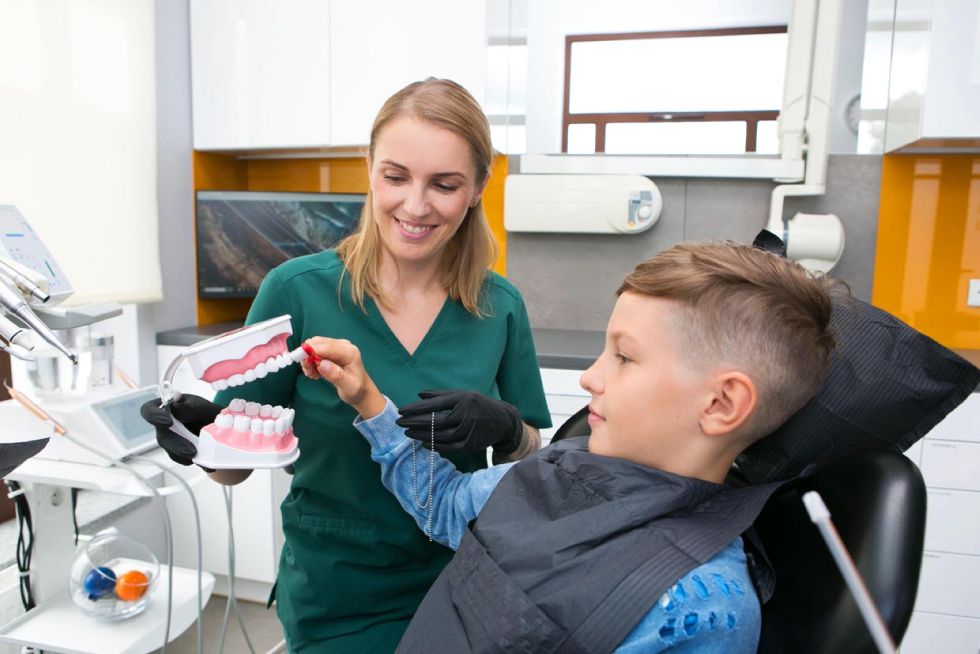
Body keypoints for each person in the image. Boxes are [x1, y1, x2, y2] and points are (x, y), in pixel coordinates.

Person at [142, 78, 551, 652]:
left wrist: (509, 430)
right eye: (395, 176)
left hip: (460, 583)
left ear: (479, 186)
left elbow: (534, 458)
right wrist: (203, 441)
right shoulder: (297, 293)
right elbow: (236, 465)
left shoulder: (498, 307)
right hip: (336, 594)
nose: (415, 205)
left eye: (444, 184)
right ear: (370, 168)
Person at [300, 242, 838, 652]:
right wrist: (369, 401)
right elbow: (445, 505)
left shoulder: (702, 607)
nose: (589, 378)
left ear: (722, 403)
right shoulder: (559, 468)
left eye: (623, 357)